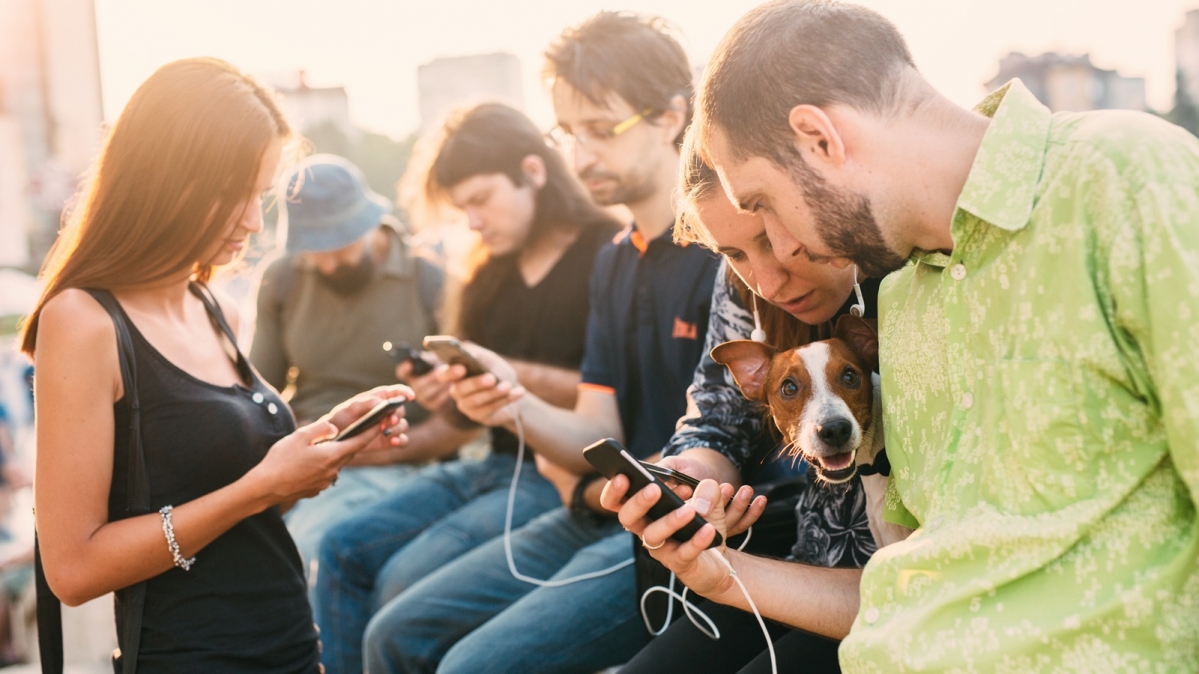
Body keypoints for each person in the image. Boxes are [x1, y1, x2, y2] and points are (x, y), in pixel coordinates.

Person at [607, 0, 1199, 670]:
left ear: (820, 139)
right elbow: (911, 577)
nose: (773, 254)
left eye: (762, 206)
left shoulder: (1123, 176)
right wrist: (717, 575)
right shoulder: (906, 300)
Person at [19, 57, 411, 672]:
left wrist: (326, 445)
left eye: (259, 195)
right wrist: (261, 487)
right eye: (231, 195)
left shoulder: (209, 301)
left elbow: (238, 505)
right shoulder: (84, 322)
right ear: (162, 177)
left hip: (290, 646)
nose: (254, 222)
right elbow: (72, 570)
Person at [361, 12, 719, 674]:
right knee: (394, 634)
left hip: (667, 532)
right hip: (595, 514)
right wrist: (509, 400)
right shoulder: (614, 260)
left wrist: (589, 487)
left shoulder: (727, 251)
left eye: (598, 129)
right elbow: (594, 425)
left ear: (672, 116)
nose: (577, 156)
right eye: (566, 132)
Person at [314, 102, 622, 674]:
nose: (474, 222)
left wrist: (509, 372)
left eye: (480, 200)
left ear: (533, 172)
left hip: (554, 472)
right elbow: (468, 421)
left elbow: (617, 396)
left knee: (400, 583)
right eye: (463, 210)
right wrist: (447, 397)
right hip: (489, 466)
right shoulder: (486, 273)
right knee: (340, 548)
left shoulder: (611, 253)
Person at [619, 132, 880, 674]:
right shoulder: (744, 290)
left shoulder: (900, 273)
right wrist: (689, 474)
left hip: (892, 588)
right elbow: (716, 417)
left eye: (768, 237)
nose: (765, 281)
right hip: (803, 559)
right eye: (733, 253)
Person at [250, 154, 448, 571]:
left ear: (372, 222)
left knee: (313, 550)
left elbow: (462, 418)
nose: (328, 263)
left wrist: (371, 453)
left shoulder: (428, 282)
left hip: (402, 462)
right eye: (314, 251)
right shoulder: (283, 278)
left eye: (340, 246)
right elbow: (256, 394)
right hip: (307, 455)